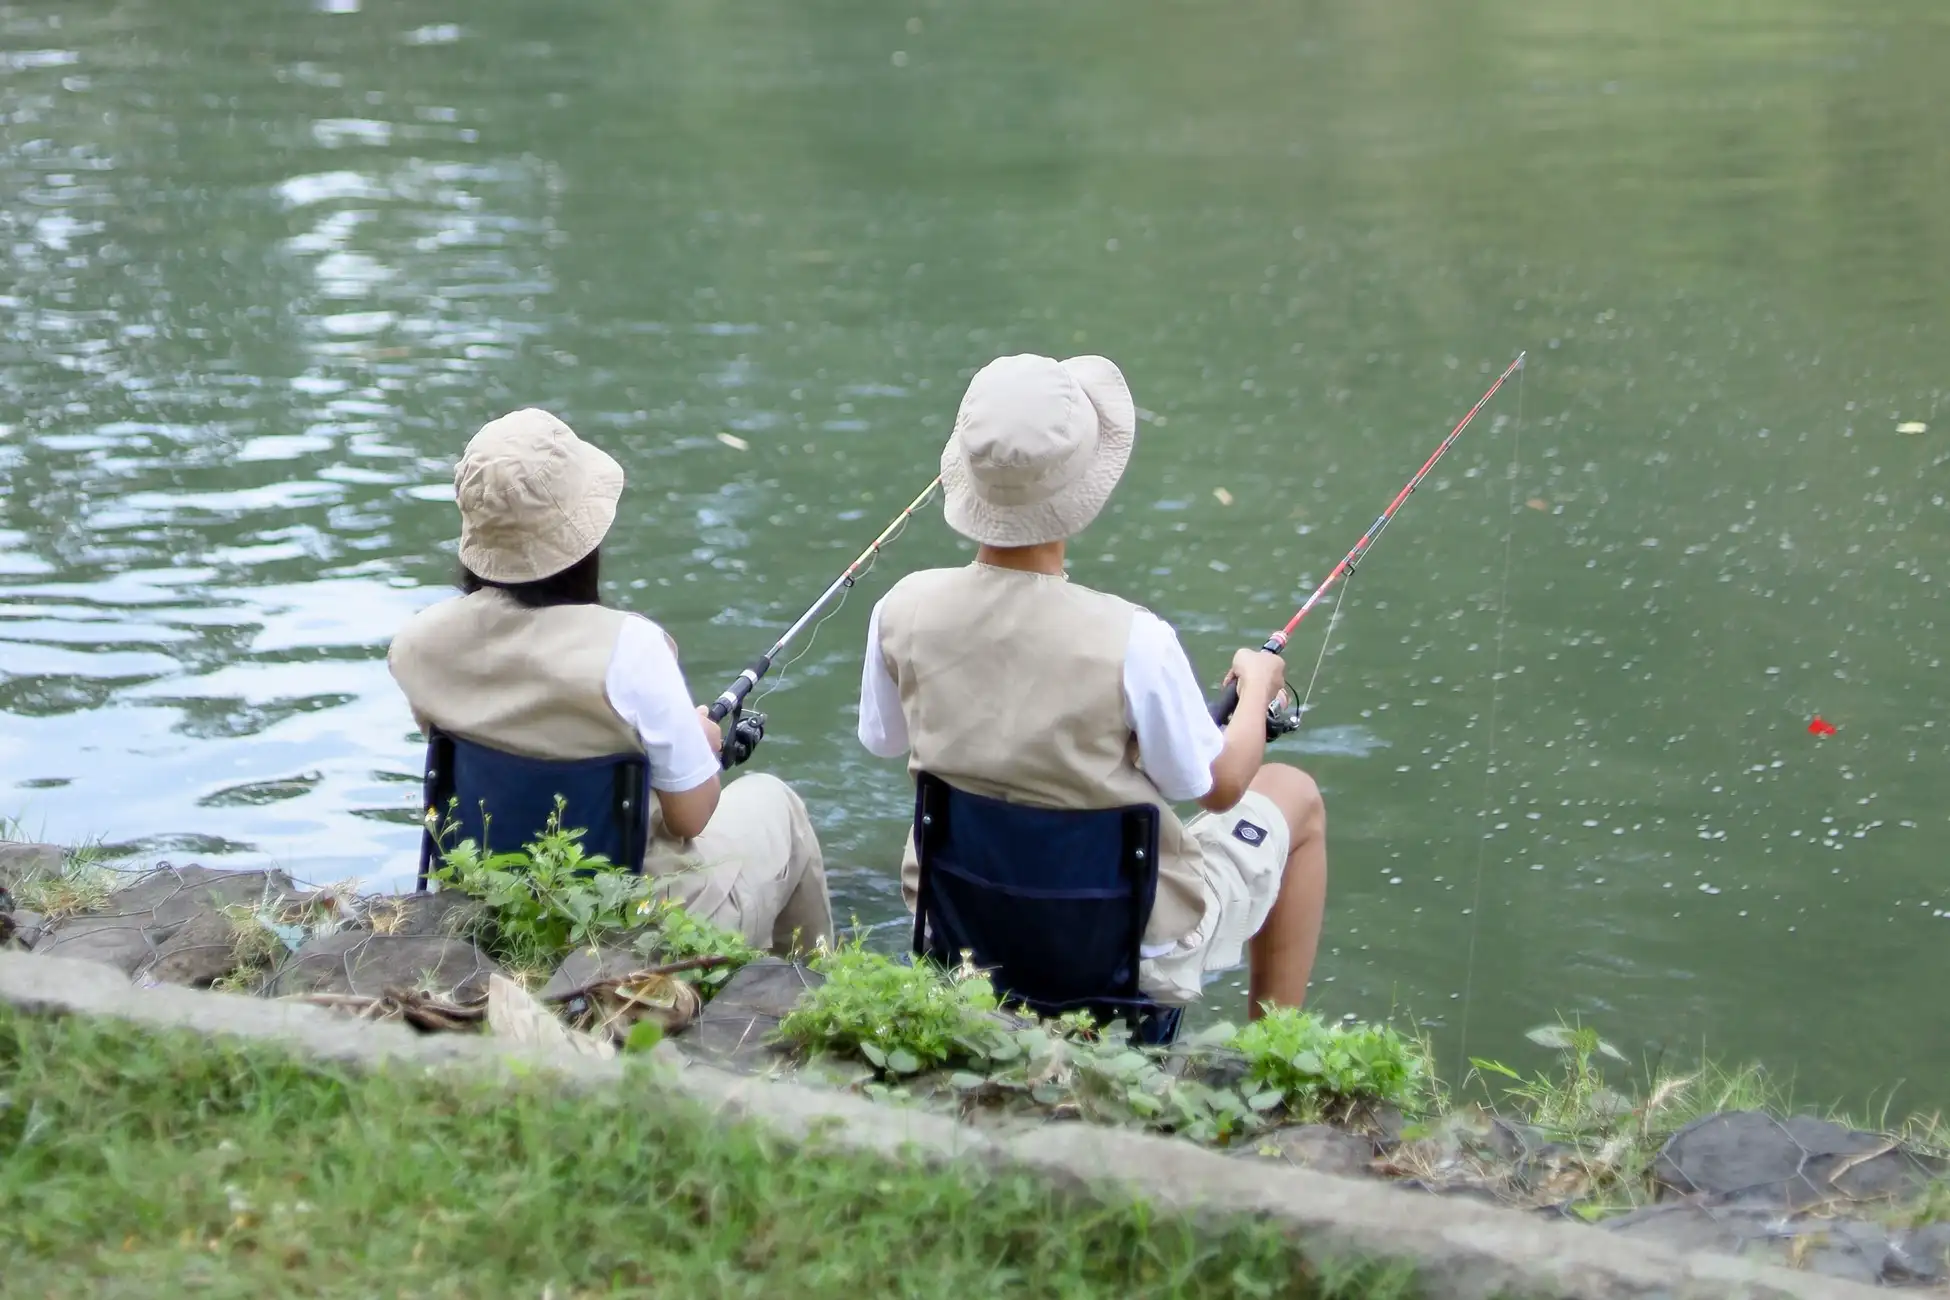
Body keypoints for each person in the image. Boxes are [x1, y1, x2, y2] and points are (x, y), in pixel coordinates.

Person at [855, 355, 1326, 1016]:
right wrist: (1255, 693)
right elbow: (1219, 788)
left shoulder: (900, 609)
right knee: (1295, 795)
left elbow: (884, 739)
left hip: (960, 935)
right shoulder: (1136, 639)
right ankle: (1277, 1050)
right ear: (1081, 495)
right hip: (1121, 958)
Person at [389, 407, 833, 954]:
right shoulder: (631, 649)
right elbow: (690, 816)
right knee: (776, 805)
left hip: (492, 902)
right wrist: (703, 743)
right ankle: (801, 1003)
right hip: (635, 929)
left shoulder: (417, 644)